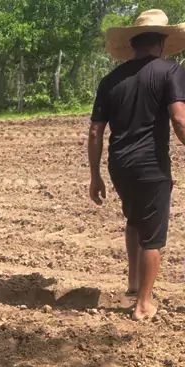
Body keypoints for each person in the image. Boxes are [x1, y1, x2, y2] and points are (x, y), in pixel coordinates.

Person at [88, 9, 185, 321]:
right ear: (161, 42)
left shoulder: (111, 80)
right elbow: (179, 120)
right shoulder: (170, 71)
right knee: (153, 236)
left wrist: (95, 176)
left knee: (134, 220)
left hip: (119, 166)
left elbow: (95, 131)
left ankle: (133, 283)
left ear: (132, 44)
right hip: (151, 167)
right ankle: (143, 303)